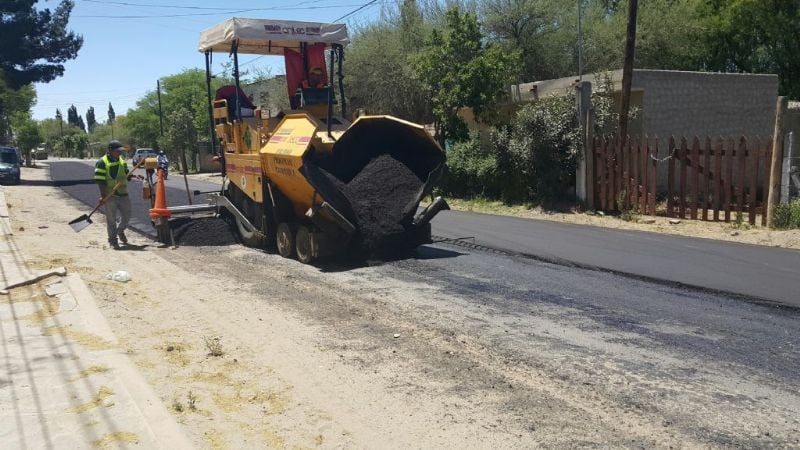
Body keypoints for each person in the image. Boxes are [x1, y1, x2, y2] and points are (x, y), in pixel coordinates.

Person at [94, 140, 131, 249]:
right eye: (117, 151)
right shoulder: (101, 162)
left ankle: (120, 231)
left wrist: (130, 176)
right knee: (111, 219)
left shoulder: (122, 160)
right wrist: (103, 195)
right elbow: (100, 180)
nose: (119, 153)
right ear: (110, 150)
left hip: (123, 193)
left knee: (127, 216)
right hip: (110, 195)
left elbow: (126, 172)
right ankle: (113, 241)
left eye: (120, 151)